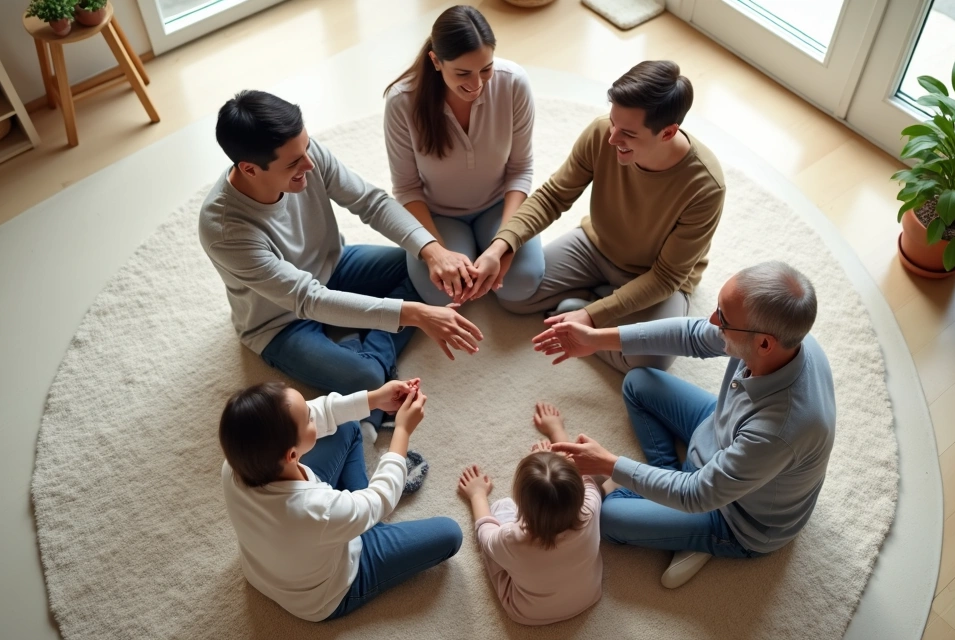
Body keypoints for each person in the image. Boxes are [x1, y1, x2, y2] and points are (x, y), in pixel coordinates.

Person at [199, 90, 484, 442]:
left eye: (306, 148)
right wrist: (415, 314)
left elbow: (370, 201)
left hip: (337, 266)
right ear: (249, 169)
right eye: (294, 162)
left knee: (424, 271)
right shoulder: (224, 230)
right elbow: (308, 300)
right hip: (281, 321)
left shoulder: (303, 154)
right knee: (368, 379)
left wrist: (432, 250)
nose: (310, 164)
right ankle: (363, 352)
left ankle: (359, 339)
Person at [534, 261, 835, 588]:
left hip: (736, 515)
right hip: (721, 428)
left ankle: (700, 537)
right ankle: (668, 481)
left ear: (764, 344)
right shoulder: (784, 339)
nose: (713, 320)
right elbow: (691, 334)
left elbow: (697, 493)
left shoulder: (778, 431)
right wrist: (595, 338)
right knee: (637, 382)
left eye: (723, 319)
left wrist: (609, 464)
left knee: (608, 517)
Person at [472, 60, 726, 373]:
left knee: (650, 361)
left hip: (656, 276)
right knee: (511, 292)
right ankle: (596, 304)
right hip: (595, 247)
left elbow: (666, 277)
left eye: (628, 133)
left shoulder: (705, 186)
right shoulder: (601, 133)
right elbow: (553, 196)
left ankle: (585, 309)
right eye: (613, 122)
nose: (612, 138)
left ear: (667, 133)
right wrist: (502, 245)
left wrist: (592, 316)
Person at [219, 379, 462, 621]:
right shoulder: (318, 511)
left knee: (345, 424)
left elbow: (321, 410)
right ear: (292, 455)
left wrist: (376, 398)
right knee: (450, 534)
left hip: (276, 561)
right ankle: (363, 521)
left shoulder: (235, 465)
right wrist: (402, 431)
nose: (313, 412)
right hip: (328, 592)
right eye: (309, 418)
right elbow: (381, 497)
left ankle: (358, 516)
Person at [384, 5, 543, 306]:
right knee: (440, 294)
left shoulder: (513, 83)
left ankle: (486, 245)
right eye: (462, 73)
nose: (476, 85)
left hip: (499, 205)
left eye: (486, 69)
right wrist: (437, 252)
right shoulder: (402, 102)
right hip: (437, 214)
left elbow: (521, 169)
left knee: (522, 283)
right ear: (436, 61)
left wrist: (504, 242)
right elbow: (406, 188)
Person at [456, 402, 602, 625]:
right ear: (579, 495)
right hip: (589, 595)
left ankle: (489, 499)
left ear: (522, 506)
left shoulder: (512, 540)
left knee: (500, 508)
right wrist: (556, 434)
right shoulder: (591, 505)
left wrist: (477, 495)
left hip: (528, 614)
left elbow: (485, 533)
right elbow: (582, 472)